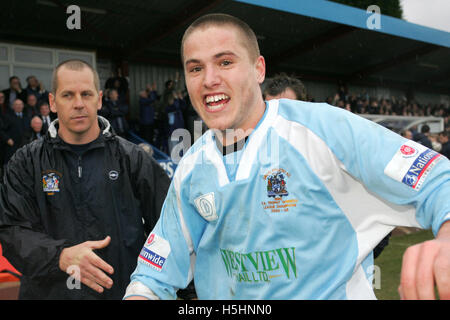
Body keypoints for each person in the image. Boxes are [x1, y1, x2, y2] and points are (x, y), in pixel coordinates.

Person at [124, 14, 450, 300]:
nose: (209, 80)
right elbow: (156, 272)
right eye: (195, 68)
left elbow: (437, 180)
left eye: (225, 62)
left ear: (258, 69)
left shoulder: (324, 129)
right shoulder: (192, 168)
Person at [0, 59, 170, 300]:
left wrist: (157, 290)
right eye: (68, 95)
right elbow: (12, 230)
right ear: (52, 102)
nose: (78, 104)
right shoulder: (25, 162)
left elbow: (170, 229)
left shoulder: (133, 159)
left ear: (99, 100)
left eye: (86, 94)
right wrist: (59, 256)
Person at [1, 99, 31, 165]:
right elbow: (1, 130)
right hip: (12, 147)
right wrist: (7, 139)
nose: (19, 106)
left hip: (24, 148)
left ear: (23, 106)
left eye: (20, 104)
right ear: (13, 106)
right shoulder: (7, 117)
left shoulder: (27, 117)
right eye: (16, 105)